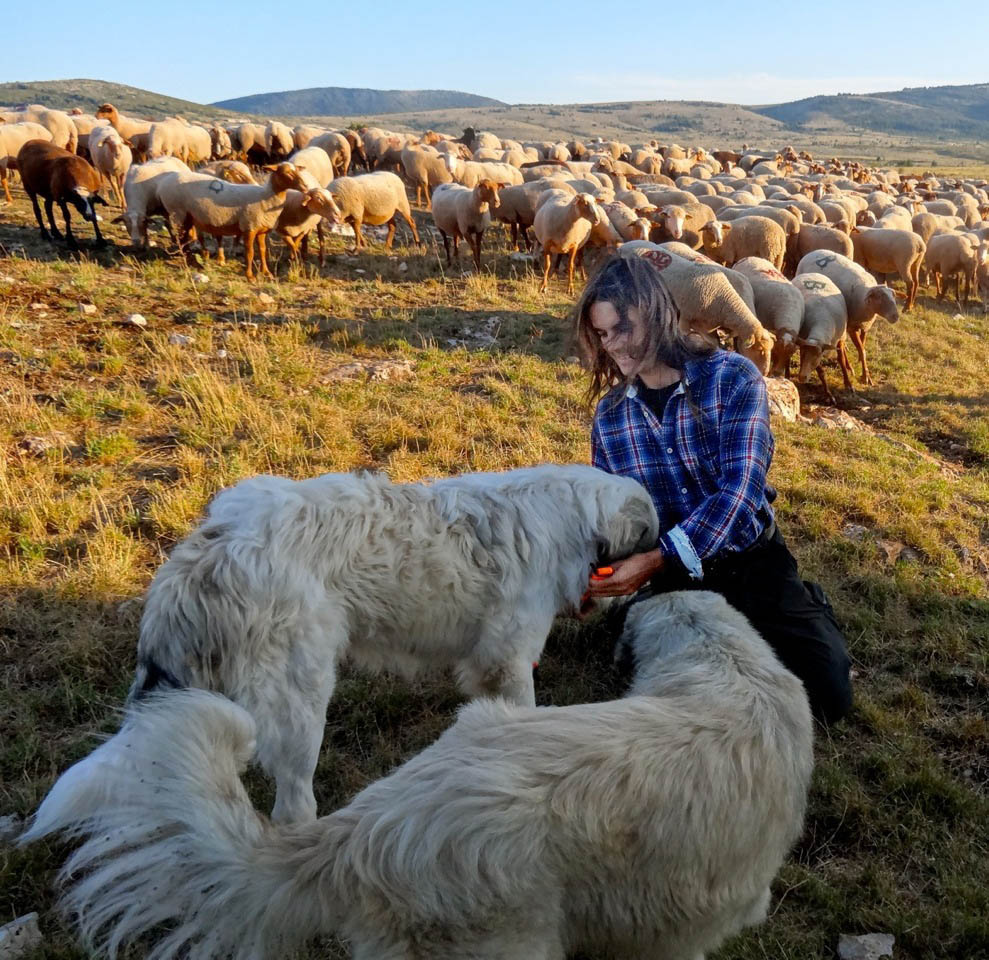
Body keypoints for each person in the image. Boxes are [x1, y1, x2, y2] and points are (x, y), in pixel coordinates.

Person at [577, 252, 852, 725]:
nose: (614, 347)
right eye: (603, 334)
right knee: (685, 696)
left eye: (623, 328)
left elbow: (741, 493)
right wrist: (587, 572)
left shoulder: (734, 378)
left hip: (746, 559)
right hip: (667, 579)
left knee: (826, 698)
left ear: (658, 313)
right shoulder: (610, 416)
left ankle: (807, 607)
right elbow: (615, 515)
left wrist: (659, 556)